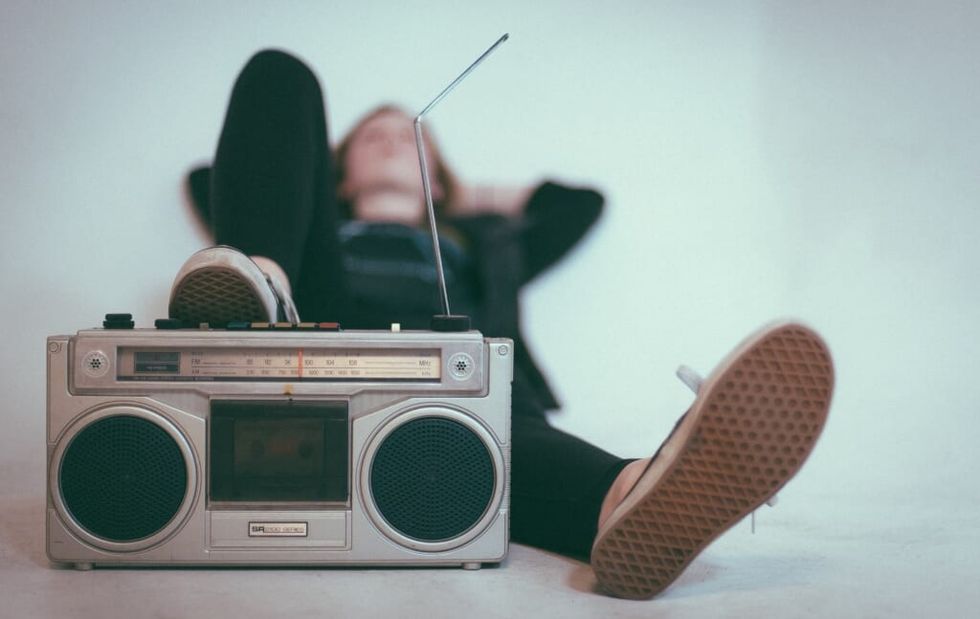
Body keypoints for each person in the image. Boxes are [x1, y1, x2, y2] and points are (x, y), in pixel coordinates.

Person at [171, 49, 835, 600]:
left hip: (457, 376)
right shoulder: (320, 231)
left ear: (439, 182)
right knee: (279, 71)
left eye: (412, 139)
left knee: (499, 423)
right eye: (373, 138)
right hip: (320, 331)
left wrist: (460, 194)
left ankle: (633, 494)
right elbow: (216, 178)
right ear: (338, 169)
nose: (393, 142)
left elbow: (579, 205)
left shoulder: (486, 241)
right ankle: (260, 289)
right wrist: (305, 203)